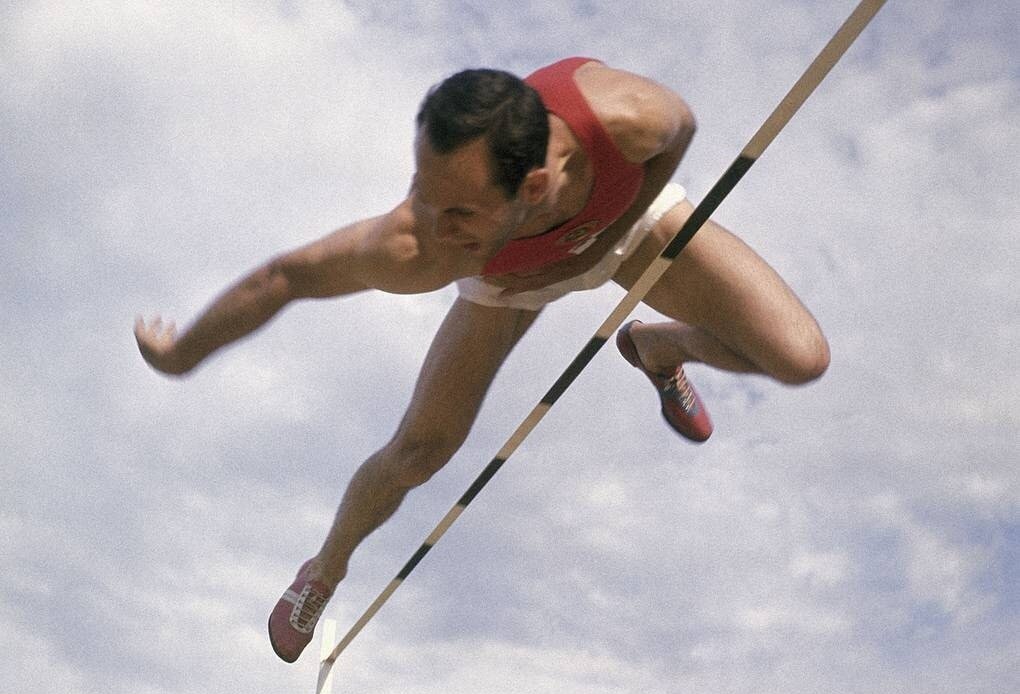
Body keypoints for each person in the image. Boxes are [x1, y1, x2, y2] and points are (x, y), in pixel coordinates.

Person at [135, 57, 829, 663]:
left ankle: (660, 345)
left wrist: (608, 233)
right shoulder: (423, 242)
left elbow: (682, 125)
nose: (432, 225)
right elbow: (285, 278)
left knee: (800, 357)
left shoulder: (628, 117)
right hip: (508, 278)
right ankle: (325, 568)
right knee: (416, 452)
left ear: (530, 188)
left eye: (459, 210)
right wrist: (182, 354)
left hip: (622, 227)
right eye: (422, 190)